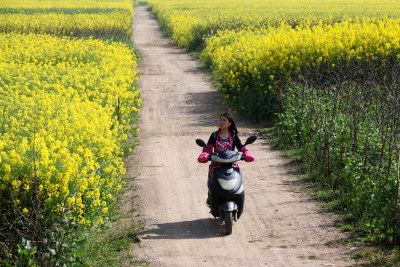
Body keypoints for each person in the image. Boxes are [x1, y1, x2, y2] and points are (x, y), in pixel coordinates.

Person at [197, 111, 254, 216]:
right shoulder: (214, 135)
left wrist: (246, 152)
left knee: (239, 182)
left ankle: (237, 198)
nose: (221, 122)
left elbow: (241, 147)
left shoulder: (233, 135)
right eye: (220, 120)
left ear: (230, 123)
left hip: (231, 165)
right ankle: (211, 199)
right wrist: (205, 154)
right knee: (212, 181)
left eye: (224, 120)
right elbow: (208, 147)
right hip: (216, 165)